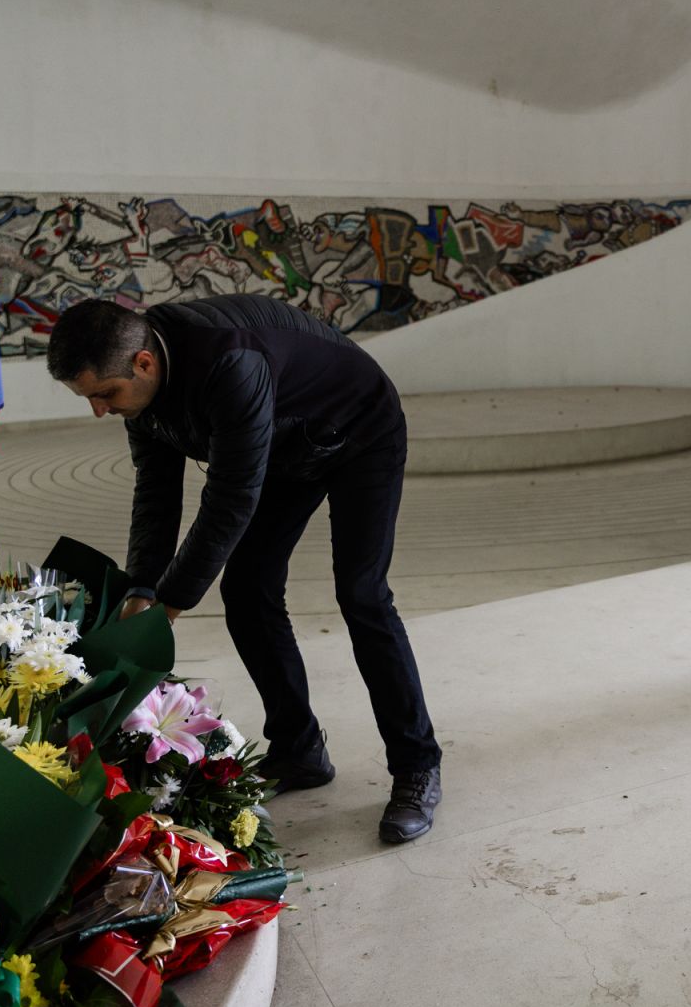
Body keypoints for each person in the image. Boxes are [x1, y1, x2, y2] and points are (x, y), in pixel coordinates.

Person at [46, 295, 444, 843]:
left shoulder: (229, 363)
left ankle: (417, 765)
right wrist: (141, 587)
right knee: (249, 590)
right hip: (284, 443)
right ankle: (299, 750)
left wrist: (169, 606)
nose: (99, 410)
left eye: (105, 394)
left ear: (144, 363)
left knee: (362, 594)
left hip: (360, 431)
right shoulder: (141, 393)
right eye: (89, 397)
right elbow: (157, 495)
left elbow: (231, 498)